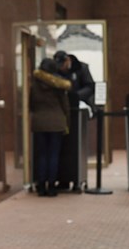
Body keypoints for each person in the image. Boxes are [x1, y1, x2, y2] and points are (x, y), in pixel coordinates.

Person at [52, 50, 95, 191]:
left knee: (75, 146)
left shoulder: (82, 68)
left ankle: (76, 178)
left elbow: (90, 86)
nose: (62, 68)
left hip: (77, 112)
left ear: (68, 61)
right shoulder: (55, 71)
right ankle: (63, 180)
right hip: (61, 112)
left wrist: (76, 97)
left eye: (63, 65)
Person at [30, 57, 72, 196]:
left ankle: (41, 186)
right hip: (56, 122)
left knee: (42, 155)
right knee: (53, 155)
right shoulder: (58, 85)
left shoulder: (34, 84)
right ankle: (52, 187)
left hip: (39, 122)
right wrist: (67, 121)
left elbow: (31, 103)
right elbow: (65, 105)